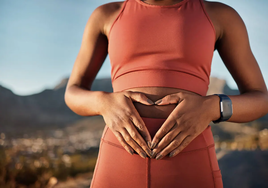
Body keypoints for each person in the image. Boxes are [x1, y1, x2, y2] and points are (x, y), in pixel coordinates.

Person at [64, 0, 268, 187]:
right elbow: (73, 92)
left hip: (191, 164)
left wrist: (212, 107)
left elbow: (260, 98)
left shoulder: (220, 15)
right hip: (117, 164)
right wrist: (103, 103)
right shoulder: (106, 15)